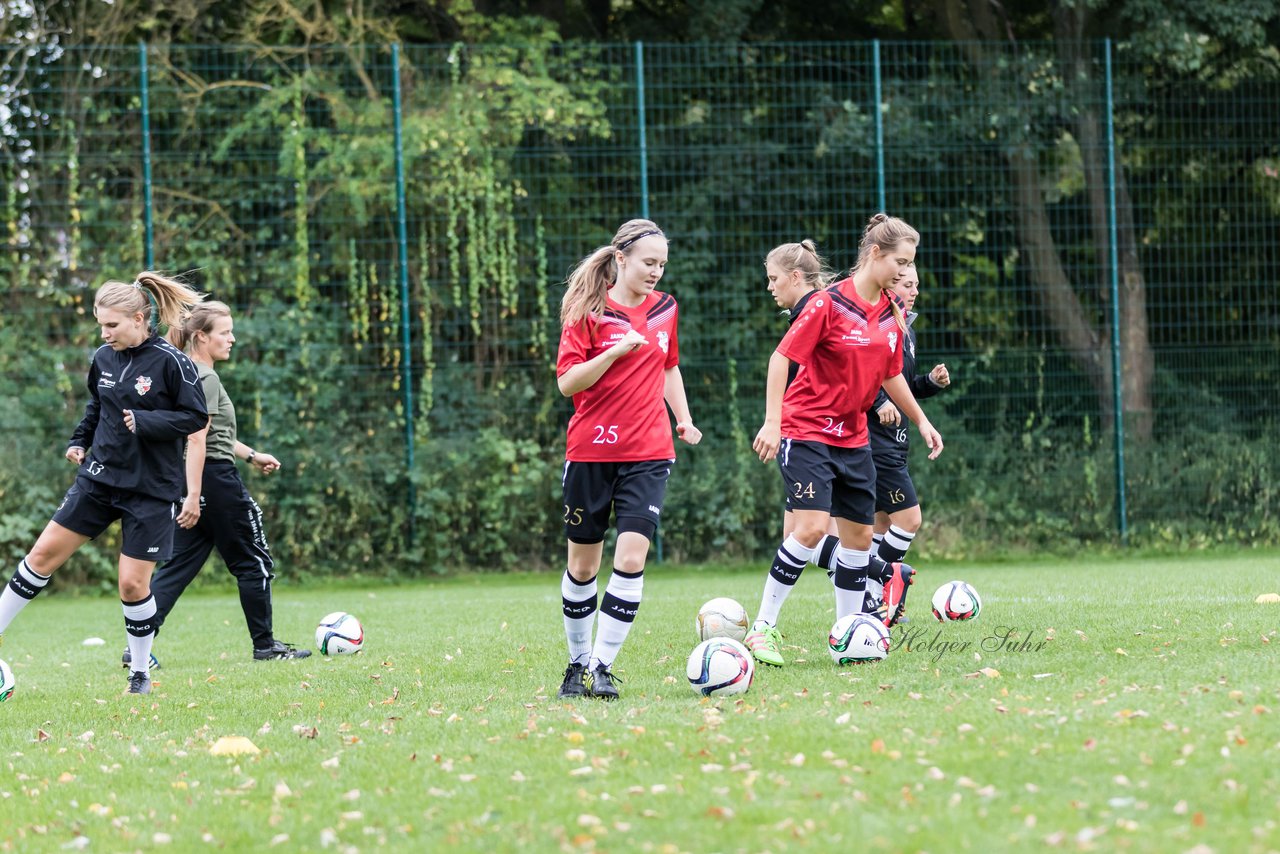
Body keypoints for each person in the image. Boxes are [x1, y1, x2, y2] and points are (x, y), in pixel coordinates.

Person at [745, 214, 943, 668]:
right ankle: (763, 627)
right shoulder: (827, 304)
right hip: (807, 431)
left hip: (855, 439)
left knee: (856, 543)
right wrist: (772, 422)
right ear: (875, 254)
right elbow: (781, 359)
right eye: (900, 261)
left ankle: (848, 636)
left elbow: (892, 375)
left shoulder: (890, 314)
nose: (904, 272)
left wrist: (923, 420)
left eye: (909, 263)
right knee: (811, 528)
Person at [0, 273, 208, 695]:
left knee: (132, 583)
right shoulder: (104, 357)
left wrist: (146, 421)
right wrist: (80, 440)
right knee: (41, 555)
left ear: (137, 318)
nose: (104, 333)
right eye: (100, 324)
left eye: (111, 325)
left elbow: (195, 418)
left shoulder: (172, 362)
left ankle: (140, 672)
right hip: (99, 479)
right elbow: (98, 405)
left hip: (150, 488)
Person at [554, 218, 701, 701]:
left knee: (632, 557)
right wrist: (614, 352)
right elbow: (568, 383)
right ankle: (575, 665)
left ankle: (601, 667)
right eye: (648, 262)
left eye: (662, 263)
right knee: (582, 567)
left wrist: (682, 417)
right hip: (591, 452)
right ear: (620, 260)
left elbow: (668, 367)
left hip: (649, 452)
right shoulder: (588, 311)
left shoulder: (665, 309)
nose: (656, 271)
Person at [121, 301, 310, 667]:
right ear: (202, 336)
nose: (232, 339)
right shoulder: (204, 377)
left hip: (193, 479)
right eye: (225, 333)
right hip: (212, 479)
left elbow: (212, 433)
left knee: (176, 568)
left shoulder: (184, 372)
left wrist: (252, 455)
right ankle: (266, 646)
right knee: (252, 562)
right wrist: (195, 494)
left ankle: (137, 649)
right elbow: (197, 436)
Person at [864, 265, 950, 623]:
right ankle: (880, 591)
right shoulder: (878, 322)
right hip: (874, 441)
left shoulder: (904, 327)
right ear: (888, 283)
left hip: (895, 440)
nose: (915, 291)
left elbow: (902, 387)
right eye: (908, 284)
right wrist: (876, 402)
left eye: (917, 285)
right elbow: (861, 374)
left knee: (880, 526)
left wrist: (928, 382)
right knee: (909, 519)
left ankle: (872, 603)